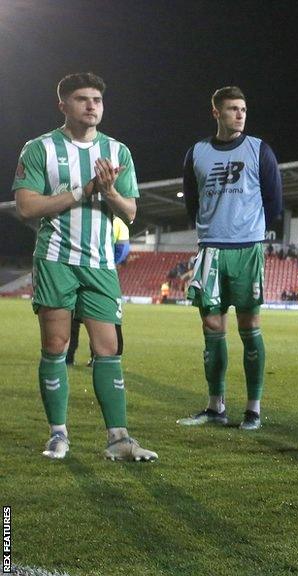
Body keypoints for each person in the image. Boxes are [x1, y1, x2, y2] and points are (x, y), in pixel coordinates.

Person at [13, 72, 156, 461]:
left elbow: (130, 211)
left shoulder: (118, 151)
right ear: (63, 105)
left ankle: (119, 439)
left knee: (108, 349)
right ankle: (58, 435)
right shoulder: (40, 148)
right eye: (82, 99)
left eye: (97, 99)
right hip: (57, 259)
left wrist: (109, 191)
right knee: (55, 346)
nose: (92, 105)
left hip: (99, 264)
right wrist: (84, 191)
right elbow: (27, 206)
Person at [177, 86, 283, 431]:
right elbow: (191, 201)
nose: (240, 114)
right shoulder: (197, 152)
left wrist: (247, 230)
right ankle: (215, 406)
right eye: (233, 109)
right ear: (216, 113)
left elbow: (274, 201)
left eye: (243, 109)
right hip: (210, 248)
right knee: (211, 327)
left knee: (249, 327)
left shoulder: (259, 150)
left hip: (247, 248)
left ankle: (253, 408)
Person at [66, 216, 131, 366]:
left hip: (76, 270)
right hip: (103, 274)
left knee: (72, 318)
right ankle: (99, 358)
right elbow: (123, 249)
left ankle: (68, 357)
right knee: (102, 317)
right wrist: (109, 262)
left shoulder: (81, 216)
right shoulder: (119, 223)